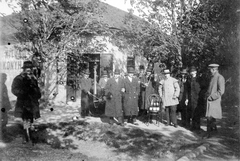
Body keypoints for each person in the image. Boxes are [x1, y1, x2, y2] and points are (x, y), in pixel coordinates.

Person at [11, 61, 41, 143]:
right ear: (24, 69)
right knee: (24, 120)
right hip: (23, 102)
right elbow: (14, 90)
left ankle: (31, 136)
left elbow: (37, 89)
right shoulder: (18, 78)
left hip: (32, 103)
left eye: (30, 69)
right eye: (27, 69)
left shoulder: (33, 78)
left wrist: (38, 94)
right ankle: (25, 136)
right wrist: (23, 92)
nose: (29, 71)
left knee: (31, 119)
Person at [205, 64, 225, 137]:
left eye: (210, 69)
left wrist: (211, 97)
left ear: (214, 69)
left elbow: (221, 91)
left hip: (214, 101)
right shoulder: (212, 77)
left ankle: (210, 134)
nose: (210, 71)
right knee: (210, 117)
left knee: (211, 117)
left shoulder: (220, 77)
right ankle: (212, 133)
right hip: (210, 100)